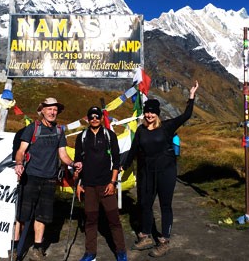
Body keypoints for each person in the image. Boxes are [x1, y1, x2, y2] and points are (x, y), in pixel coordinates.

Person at [122, 81, 199, 258]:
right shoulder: (141, 130)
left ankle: (164, 241)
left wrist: (191, 96)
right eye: (147, 112)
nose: (149, 115)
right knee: (145, 204)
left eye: (152, 112)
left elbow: (186, 115)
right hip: (147, 173)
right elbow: (134, 150)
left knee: (165, 205)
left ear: (157, 114)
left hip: (166, 172)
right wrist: (121, 166)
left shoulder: (167, 127)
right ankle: (146, 236)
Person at [14, 97, 82, 261]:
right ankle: (16, 247)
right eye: (49, 109)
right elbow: (21, 150)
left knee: (42, 216)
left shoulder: (59, 131)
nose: (52, 112)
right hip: (30, 177)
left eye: (55, 110)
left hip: (50, 179)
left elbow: (63, 154)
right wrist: (18, 163)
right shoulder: (32, 128)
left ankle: (37, 248)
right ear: (42, 110)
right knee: (22, 215)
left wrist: (73, 163)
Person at [74, 106, 128, 261]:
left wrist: (113, 182)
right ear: (87, 119)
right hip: (89, 186)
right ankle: (90, 253)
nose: (95, 119)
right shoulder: (82, 137)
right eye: (91, 117)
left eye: (97, 116)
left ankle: (121, 251)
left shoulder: (109, 135)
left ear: (101, 118)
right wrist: (78, 183)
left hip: (106, 185)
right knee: (90, 221)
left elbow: (116, 161)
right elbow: (78, 161)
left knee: (114, 220)